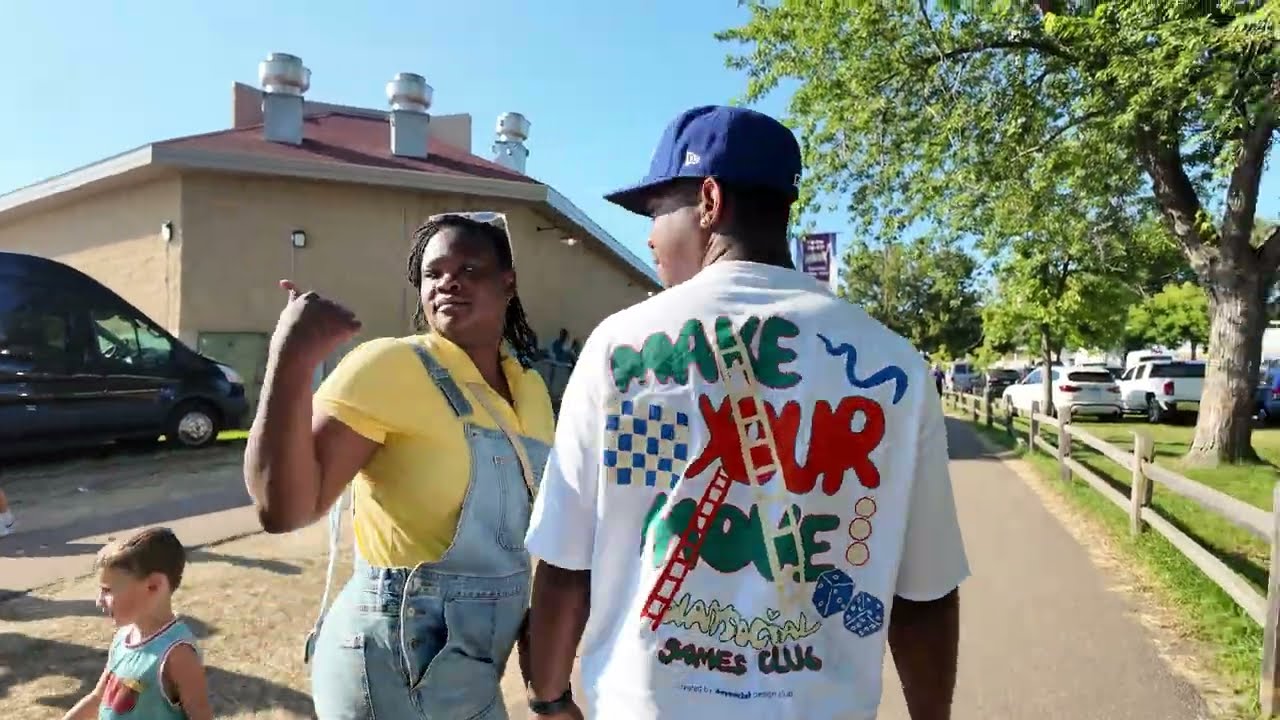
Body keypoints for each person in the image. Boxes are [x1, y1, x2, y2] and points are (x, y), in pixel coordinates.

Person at [523, 106, 969, 720]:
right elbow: (925, 592)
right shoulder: (893, 364)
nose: (651, 237)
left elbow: (566, 561)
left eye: (657, 211)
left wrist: (548, 699)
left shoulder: (617, 349)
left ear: (708, 201)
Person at [243, 212, 555, 718]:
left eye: (469, 270)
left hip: (471, 668)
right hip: (393, 663)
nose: (448, 281)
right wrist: (292, 357)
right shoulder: (390, 366)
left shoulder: (531, 388)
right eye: (433, 274)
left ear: (508, 282)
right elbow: (284, 510)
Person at [63, 527, 211, 720]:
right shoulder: (123, 638)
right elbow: (98, 698)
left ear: (153, 586)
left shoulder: (177, 654)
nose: (99, 600)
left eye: (107, 590)